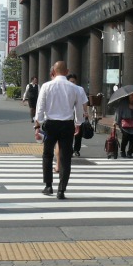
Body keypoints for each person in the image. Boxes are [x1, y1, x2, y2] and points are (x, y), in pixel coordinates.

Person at [34, 61, 84, 199]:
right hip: (67, 125)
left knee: (47, 155)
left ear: (53, 72)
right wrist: (78, 123)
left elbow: (40, 108)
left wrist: (38, 126)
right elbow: (79, 109)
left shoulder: (46, 86)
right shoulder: (74, 88)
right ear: (67, 71)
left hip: (50, 124)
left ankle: (48, 186)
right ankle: (61, 190)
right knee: (65, 157)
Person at [113, 90, 133, 158]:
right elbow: (118, 112)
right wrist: (116, 121)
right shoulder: (123, 102)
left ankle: (130, 152)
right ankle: (122, 151)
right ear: (129, 95)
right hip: (124, 123)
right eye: (132, 95)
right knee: (125, 137)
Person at [67, 73, 89, 157]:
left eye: (74, 81)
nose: (72, 83)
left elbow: (84, 101)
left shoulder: (80, 89)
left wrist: (85, 111)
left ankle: (76, 149)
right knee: (69, 133)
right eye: (71, 81)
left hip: (79, 114)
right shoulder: (65, 89)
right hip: (68, 115)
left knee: (78, 133)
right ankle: (69, 149)